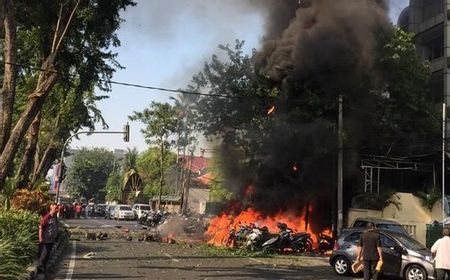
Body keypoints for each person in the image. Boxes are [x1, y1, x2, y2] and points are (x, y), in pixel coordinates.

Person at [37, 203, 59, 277]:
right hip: (46, 240)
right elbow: (41, 228)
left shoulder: (55, 217)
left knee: (47, 255)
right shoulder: (47, 217)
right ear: (51, 208)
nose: (57, 210)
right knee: (44, 254)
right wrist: (40, 238)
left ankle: (44, 267)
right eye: (55, 208)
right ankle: (40, 267)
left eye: (57, 208)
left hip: (51, 240)